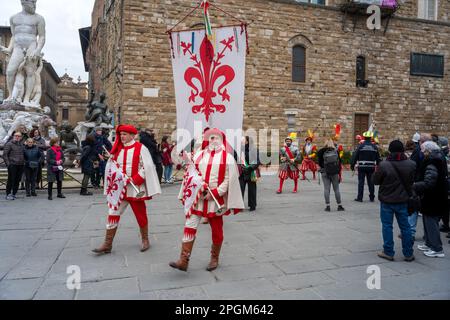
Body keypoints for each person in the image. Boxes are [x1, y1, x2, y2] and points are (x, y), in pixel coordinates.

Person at [169, 128, 244, 272]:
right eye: (210, 138)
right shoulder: (199, 155)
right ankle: (183, 260)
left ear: (221, 140)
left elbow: (229, 180)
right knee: (189, 225)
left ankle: (214, 258)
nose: (213, 140)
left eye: (216, 138)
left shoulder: (228, 158)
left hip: (215, 200)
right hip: (198, 198)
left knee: (217, 231)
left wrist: (215, 193)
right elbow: (192, 174)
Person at [92, 124, 161, 254]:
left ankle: (145, 239)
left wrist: (134, 179)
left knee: (140, 215)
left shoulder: (141, 148)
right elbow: (112, 168)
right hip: (120, 190)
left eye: (124, 134)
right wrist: (113, 170)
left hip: (135, 188)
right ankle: (107, 244)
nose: (122, 137)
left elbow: (146, 167)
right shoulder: (117, 149)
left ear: (132, 135)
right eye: (121, 134)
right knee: (113, 213)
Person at [373, 140, 416, 262]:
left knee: (387, 226)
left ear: (390, 150)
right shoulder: (411, 164)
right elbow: (412, 180)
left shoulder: (384, 165)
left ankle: (388, 251)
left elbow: (375, 181)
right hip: (403, 199)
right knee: (405, 227)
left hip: (387, 200)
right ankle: (408, 253)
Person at [414, 141, 448, 258]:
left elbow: (429, 182)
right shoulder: (436, 159)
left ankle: (437, 248)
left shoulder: (432, 162)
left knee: (431, 223)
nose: (422, 153)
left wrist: (415, 186)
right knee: (427, 221)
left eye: (423, 151)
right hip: (432, 196)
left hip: (433, 197)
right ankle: (429, 244)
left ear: (429, 151)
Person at [351, 131, 380, 202]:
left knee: (361, 182)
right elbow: (378, 158)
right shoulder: (374, 147)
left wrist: (352, 165)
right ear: (370, 138)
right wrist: (379, 166)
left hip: (362, 167)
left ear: (364, 137)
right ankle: (372, 197)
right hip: (371, 167)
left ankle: (360, 198)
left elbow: (355, 156)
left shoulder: (360, 146)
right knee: (371, 182)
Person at [317, 139, 344, 212]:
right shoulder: (336, 151)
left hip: (325, 172)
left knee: (326, 189)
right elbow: (339, 162)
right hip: (334, 172)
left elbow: (319, 163)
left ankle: (328, 206)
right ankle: (339, 205)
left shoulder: (320, 152)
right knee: (336, 189)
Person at [239, 136, 260, 212]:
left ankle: (252, 205)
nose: (241, 141)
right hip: (242, 172)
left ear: (247, 142)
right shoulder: (240, 150)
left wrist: (250, 167)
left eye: (243, 140)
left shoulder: (254, 150)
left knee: (252, 190)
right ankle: (239, 206)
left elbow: (257, 161)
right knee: (240, 189)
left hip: (251, 172)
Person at [4, 131, 25, 200]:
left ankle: (14, 193)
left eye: (19, 136)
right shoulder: (9, 144)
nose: (17, 137)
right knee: (11, 179)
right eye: (16, 135)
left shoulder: (21, 145)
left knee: (17, 180)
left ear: (21, 137)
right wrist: (8, 164)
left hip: (20, 165)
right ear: (13, 136)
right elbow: (5, 155)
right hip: (12, 165)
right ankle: (8, 194)